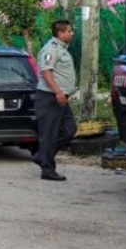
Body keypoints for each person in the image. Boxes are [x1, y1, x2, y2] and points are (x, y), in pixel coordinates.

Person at [33, 20, 77, 181]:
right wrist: (58, 91)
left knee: (69, 129)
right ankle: (48, 170)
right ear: (60, 33)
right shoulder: (50, 49)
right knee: (49, 135)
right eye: (69, 31)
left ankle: (42, 155)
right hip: (50, 97)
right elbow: (46, 71)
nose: (72, 33)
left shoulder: (62, 49)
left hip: (60, 98)